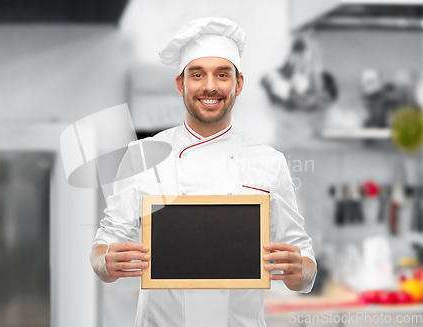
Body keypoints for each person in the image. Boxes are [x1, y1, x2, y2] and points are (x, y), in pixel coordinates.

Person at [90, 17, 317, 327]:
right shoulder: (143, 155)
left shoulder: (268, 161)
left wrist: (299, 270)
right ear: (181, 84)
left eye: (222, 74)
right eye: (197, 74)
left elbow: (304, 263)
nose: (210, 86)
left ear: (237, 83)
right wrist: (106, 262)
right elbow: (103, 247)